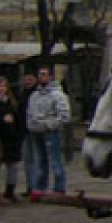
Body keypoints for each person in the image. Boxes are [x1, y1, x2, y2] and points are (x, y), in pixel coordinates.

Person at [26, 66, 70, 195]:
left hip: (51, 132)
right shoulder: (34, 95)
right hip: (35, 132)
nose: (41, 77)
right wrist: (32, 125)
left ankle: (59, 187)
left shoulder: (58, 95)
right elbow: (29, 113)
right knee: (40, 160)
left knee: (56, 161)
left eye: (44, 74)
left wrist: (49, 125)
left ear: (51, 77)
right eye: (40, 74)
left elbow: (64, 116)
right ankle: (39, 188)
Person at [0, 76, 22, 203]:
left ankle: (10, 191)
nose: (1, 89)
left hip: (11, 139)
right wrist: (1, 119)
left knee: (13, 166)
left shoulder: (12, 101)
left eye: (4, 86)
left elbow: (18, 118)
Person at [15, 73, 36, 198]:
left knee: (36, 159)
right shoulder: (22, 94)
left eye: (30, 79)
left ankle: (36, 187)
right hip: (24, 131)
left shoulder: (36, 93)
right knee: (28, 160)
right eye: (25, 79)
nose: (27, 81)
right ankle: (31, 187)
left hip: (36, 130)